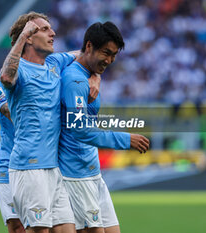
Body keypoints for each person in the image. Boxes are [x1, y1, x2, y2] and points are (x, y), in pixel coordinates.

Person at [0, 12, 100, 233]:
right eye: (44, 29)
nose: (52, 33)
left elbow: (91, 57)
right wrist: (23, 34)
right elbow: (6, 78)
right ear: (28, 37)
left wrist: (95, 76)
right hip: (29, 168)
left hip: (54, 169)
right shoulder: (19, 71)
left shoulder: (54, 62)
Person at [59, 22, 150, 233]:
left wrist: (96, 76)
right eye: (106, 53)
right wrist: (126, 140)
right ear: (89, 46)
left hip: (91, 170)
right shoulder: (74, 81)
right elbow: (80, 129)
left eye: (114, 55)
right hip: (75, 175)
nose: (109, 60)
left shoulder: (88, 73)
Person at [0, 76, 25, 233]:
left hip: (38, 161)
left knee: (43, 223)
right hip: (7, 159)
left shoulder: (44, 79)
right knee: (16, 225)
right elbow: (7, 110)